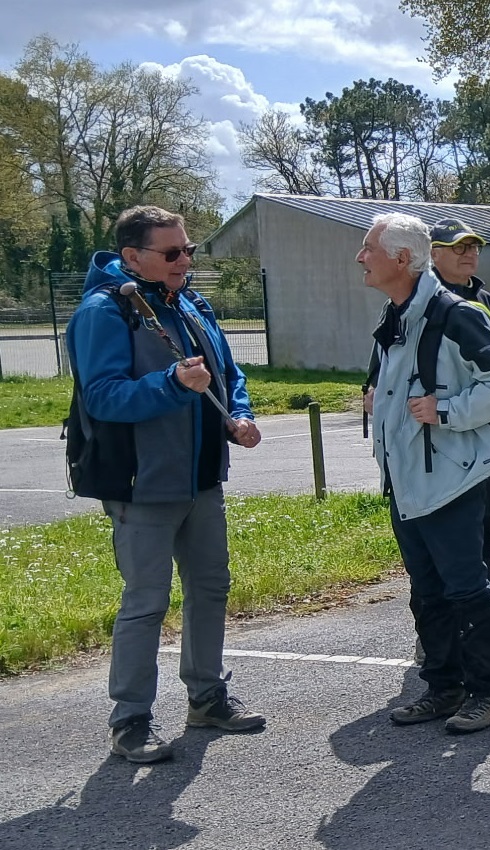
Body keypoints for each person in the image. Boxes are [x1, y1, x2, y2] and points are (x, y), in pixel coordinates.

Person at [65, 205, 267, 764]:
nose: (186, 261)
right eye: (173, 252)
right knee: (146, 603)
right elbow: (101, 396)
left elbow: (228, 373)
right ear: (132, 257)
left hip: (200, 479)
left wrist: (239, 413)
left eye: (189, 250)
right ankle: (130, 720)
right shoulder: (104, 311)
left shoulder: (189, 302)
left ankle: (207, 698)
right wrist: (172, 384)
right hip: (141, 484)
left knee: (211, 587)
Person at [362, 213, 490, 734]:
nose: (360, 257)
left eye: (369, 248)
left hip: (453, 479)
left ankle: (484, 694)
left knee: (466, 590)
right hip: (408, 480)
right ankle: (442, 688)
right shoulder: (396, 316)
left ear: (401, 259)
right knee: (427, 591)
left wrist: (448, 410)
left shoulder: (455, 314)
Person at [429, 217, 490, 653]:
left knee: (484, 534)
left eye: (473, 247)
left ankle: (484, 624)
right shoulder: (421, 303)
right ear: (433, 254)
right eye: (458, 247)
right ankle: (438, 633)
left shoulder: (487, 302)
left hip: (486, 442)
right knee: (444, 542)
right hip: (441, 443)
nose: (469, 254)